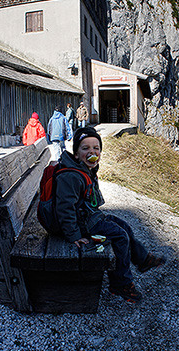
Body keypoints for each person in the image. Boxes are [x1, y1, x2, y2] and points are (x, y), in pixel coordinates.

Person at [48, 127, 164, 302]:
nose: (92, 152)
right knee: (120, 236)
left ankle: (143, 259)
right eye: (85, 148)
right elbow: (65, 209)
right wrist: (74, 236)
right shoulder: (71, 176)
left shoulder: (85, 169)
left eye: (96, 148)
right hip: (80, 224)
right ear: (77, 154)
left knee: (124, 226)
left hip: (88, 217)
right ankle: (120, 284)